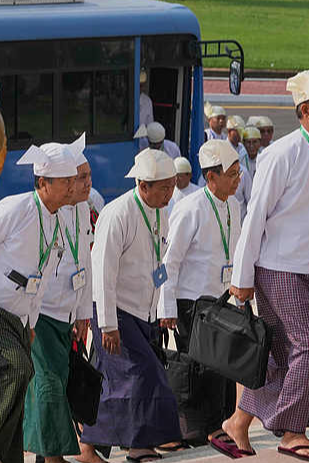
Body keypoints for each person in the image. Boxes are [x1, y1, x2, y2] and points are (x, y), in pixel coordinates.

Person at [216, 70, 309, 462]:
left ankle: (238, 423)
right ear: (305, 111)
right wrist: (242, 279)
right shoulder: (282, 153)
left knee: (282, 354)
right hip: (278, 269)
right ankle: (292, 432)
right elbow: (255, 217)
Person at [0, 142, 78, 463]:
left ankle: (5, 454)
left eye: (72, 181)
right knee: (17, 367)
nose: (72, 188)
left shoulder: (57, 219)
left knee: (23, 378)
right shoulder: (15, 208)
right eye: (66, 182)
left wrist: (31, 324)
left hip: (19, 316)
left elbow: (42, 278)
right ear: (43, 183)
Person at [81, 148, 181, 462]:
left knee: (109, 382)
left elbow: (159, 261)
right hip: (116, 311)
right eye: (164, 188)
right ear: (143, 186)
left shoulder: (161, 210)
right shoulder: (117, 214)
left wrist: (161, 309)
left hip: (144, 311)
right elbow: (103, 274)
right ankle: (138, 445)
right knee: (142, 374)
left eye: (172, 186)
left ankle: (87, 445)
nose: (169, 194)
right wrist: (107, 325)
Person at [159, 140, 242, 447]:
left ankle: (218, 423)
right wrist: (165, 306)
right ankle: (201, 428)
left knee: (224, 366)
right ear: (211, 178)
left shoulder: (234, 206)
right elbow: (170, 262)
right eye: (231, 174)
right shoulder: (189, 208)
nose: (237, 180)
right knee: (200, 367)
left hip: (221, 301)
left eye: (238, 173)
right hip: (190, 303)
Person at [23, 136, 94, 463]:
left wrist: (82, 312)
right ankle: (52, 456)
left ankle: (45, 454)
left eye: (85, 177)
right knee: (48, 386)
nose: (83, 184)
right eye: (78, 179)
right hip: (40, 314)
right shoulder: (36, 212)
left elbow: (85, 262)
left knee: (58, 385)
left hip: (67, 313)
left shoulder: (84, 208)